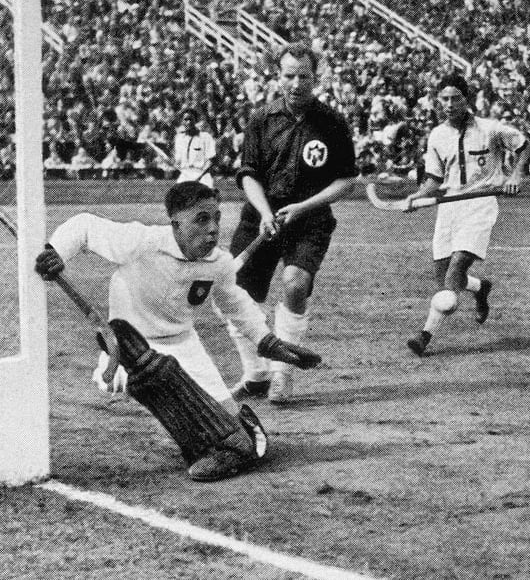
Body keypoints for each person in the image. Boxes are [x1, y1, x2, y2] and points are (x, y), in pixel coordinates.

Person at [33, 181, 317, 481]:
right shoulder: (141, 242)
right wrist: (56, 252)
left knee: (229, 428)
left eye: (216, 218)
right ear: (176, 224)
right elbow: (84, 226)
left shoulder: (217, 262)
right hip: (130, 350)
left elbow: (236, 304)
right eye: (201, 219)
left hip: (184, 344)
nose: (213, 229)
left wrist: (269, 342)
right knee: (158, 375)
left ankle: (239, 436)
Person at [227, 43, 357, 404]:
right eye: (289, 75)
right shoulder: (261, 120)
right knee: (239, 296)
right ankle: (255, 375)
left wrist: (302, 207)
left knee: (295, 284)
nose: (296, 83)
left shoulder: (332, 123)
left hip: (308, 220)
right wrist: (266, 212)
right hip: (261, 218)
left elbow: (346, 180)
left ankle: (281, 375)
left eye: (304, 76)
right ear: (277, 75)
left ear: (316, 78)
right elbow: (247, 175)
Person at [401, 73, 530, 357]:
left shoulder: (491, 129)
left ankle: (425, 335)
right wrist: (417, 196)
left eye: (455, 98)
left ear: (466, 99)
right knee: (443, 279)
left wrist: (515, 175)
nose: (449, 104)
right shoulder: (437, 135)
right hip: (449, 206)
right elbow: (434, 180)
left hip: (480, 204)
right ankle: (481, 287)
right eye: (444, 99)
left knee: (457, 267)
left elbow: (524, 145)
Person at [173, 108, 217, 187]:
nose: (188, 122)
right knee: (175, 196)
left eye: (191, 119)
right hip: (185, 175)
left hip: (203, 175)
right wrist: (174, 163)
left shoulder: (206, 137)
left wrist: (199, 176)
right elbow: (178, 162)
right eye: (185, 120)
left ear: (196, 121)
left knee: (207, 194)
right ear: (182, 121)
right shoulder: (179, 139)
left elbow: (211, 160)